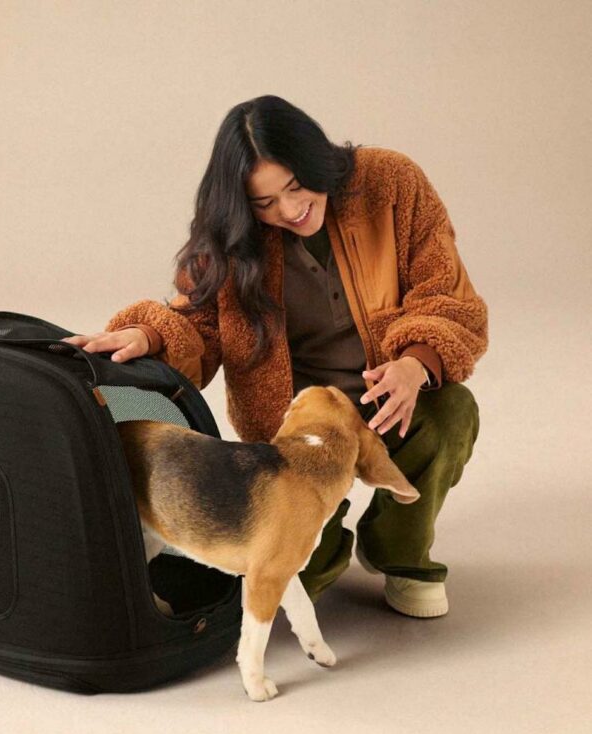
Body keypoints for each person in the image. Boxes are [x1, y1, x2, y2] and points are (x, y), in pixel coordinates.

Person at [62, 95, 487, 618]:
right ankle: (326, 545)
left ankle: (400, 554)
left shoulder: (392, 184)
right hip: (295, 429)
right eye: (264, 203)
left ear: (318, 161)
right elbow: (199, 320)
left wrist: (415, 363)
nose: (289, 211)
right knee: (296, 579)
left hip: (390, 398)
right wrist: (151, 334)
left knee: (451, 412)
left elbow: (444, 292)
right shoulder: (232, 236)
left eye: (295, 187)